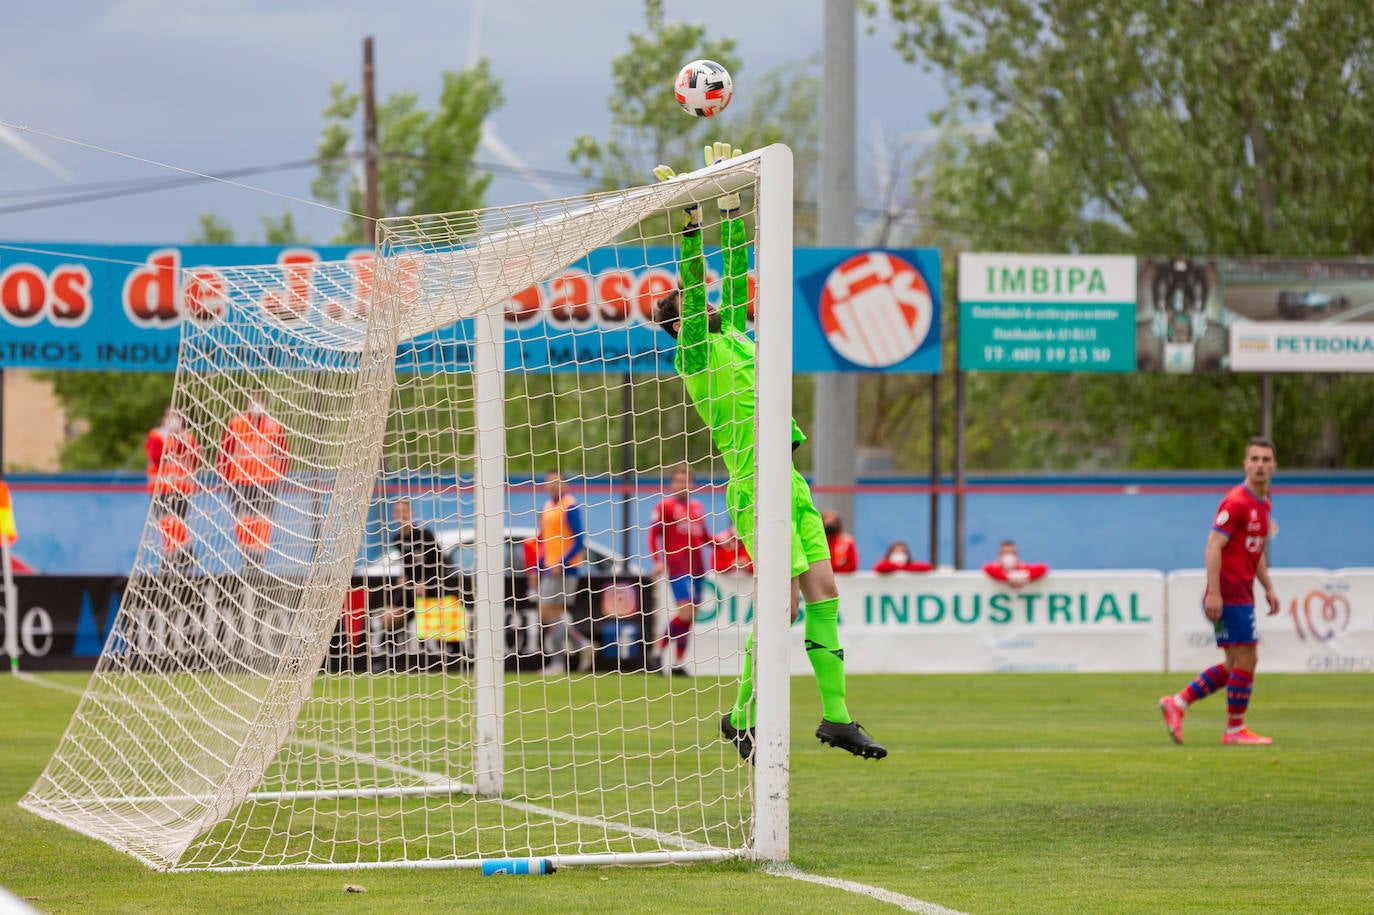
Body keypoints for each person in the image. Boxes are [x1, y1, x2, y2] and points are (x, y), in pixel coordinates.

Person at [651, 142, 886, 762]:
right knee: (779, 606)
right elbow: (699, 280)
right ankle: (743, 716)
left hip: (791, 480)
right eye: (692, 297)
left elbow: (734, 270)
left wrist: (730, 200)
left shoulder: (736, 333)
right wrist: (690, 220)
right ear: (682, 320)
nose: (705, 294)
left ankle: (836, 717)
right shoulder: (695, 352)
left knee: (824, 592)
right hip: (755, 483)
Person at [1160, 437, 1281, 746]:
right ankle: (1234, 730)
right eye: (1254, 459)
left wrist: (1268, 588)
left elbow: (1255, 552)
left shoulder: (1264, 504)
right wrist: (1214, 593)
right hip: (1228, 593)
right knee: (1247, 658)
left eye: (1266, 459)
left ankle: (1178, 703)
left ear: (1274, 466)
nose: (1260, 465)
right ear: (1245, 464)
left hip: (1242, 591)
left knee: (1234, 663)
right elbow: (1214, 545)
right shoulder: (1236, 501)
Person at [648, 464, 713, 675]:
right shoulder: (664, 506)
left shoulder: (697, 507)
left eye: (685, 481)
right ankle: (658, 650)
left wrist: (723, 543)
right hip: (677, 566)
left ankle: (677, 663)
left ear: (692, 484)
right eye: (677, 481)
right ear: (671, 484)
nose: (681, 485)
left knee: (691, 615)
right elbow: (653, 535)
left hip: (697, 567)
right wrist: (657, 560)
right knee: (685, 612)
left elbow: (704, 537)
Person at [216, 388, 290, 572]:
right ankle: (247, 554)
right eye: (252, 401)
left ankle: (259, 555)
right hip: (241, 479)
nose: (256, 405)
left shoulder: (274, 426)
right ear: (247, 404)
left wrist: (279, 473)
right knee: (244, 519)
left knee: (263, 520)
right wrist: (223, 475)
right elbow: (224, 452)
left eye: (259, 401)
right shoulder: (235, 424)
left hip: (266, 480)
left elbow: (284, 453)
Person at [533, 470, 592, 673]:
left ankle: (559, 662)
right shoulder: (547, 507)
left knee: (550, 612)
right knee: (549, 614)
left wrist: (562, 562)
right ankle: (581, 644)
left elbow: (579, 541)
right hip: (551, 568)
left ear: (564, 485)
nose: (552, 486)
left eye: (556, 482)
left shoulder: (570, 505)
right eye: (549, 482)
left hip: (566, 569)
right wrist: (539, 565)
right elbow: (546, 543)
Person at [145, 405, 202, 568]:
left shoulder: (188, 438)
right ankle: (184, 551)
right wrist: (170, 439)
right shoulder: (158, 435)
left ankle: (174, 557)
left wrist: (180, 439)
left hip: (181, 488)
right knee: (166, 523)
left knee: (176, 522)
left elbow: (196, 458)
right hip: (161, 487)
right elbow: (155, 456)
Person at [982, 540, 1048, 588]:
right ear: (999, 555)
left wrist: (1025, 577)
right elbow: (987, 568)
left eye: (1012, 553)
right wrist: (1009, 578)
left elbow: (1042, 568)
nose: (1009, 556)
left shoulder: (1023, 568)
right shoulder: (995, 568)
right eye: (1005, 553)